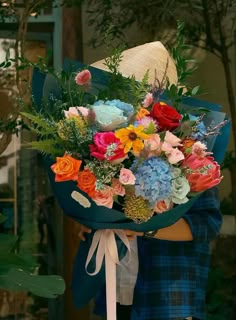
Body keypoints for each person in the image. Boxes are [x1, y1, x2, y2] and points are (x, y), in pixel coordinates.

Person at [78, 186, 222, 320]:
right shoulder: (107, 161)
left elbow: (207, 224)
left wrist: (145, 228)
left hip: (167, 291)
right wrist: (93, 224)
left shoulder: (196, 162)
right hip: (118, 283)